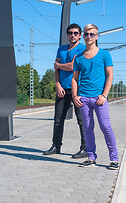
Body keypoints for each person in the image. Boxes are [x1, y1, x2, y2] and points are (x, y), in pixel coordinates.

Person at [72, 24, 119, 169]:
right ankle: (91, 157)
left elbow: (110, 75)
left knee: (106, 127)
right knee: (87, 127)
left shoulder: (105, 54)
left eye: (92, 34)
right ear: (83, 36)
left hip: (100, 98)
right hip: (84, 98)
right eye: (86, 34)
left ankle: (114, 159)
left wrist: (104, 95)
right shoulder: (78, 57)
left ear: (97, 37)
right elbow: (75, 78)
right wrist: (75, 96)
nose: (89, 37)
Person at [43, 23, 87, 159]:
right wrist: (58, 85)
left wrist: (60, 65)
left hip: (78, 89)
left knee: (82, 120)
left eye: (75, 33)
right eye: (70, 33)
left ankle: (85, 148)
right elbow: (56, 69)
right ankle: (56, 146)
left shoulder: (83, 49)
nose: (72, 35)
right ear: (67, 34)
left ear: (80, 35)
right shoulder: (61, 49)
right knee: (58, 119)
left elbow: (73, 66)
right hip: (63, 88)